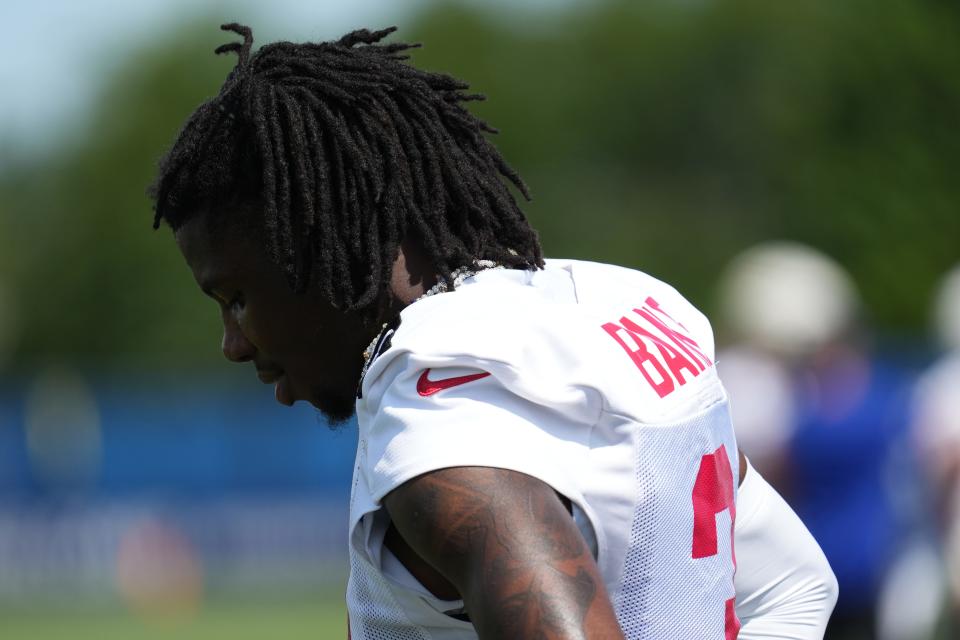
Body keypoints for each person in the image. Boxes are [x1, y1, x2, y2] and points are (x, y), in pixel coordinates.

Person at [149, 24, 837, 639]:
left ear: (307, 250)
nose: (233, 343)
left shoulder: (442, 422)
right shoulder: (622, 300)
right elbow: (797, 588)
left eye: (236, 298)